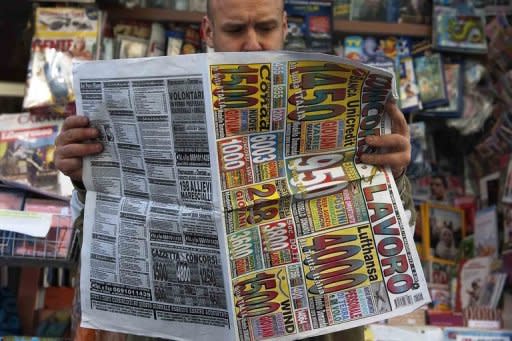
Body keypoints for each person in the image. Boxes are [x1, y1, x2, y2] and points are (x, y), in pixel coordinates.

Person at [55, 0, 415, 340]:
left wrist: (393, 179)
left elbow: (393, 248)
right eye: (235, 29)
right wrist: (84, 178)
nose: (253, 43)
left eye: (266, 27)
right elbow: (102, 252)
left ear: (285, 26)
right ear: (208, 31)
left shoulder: (339, 104)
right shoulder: (140, 102)